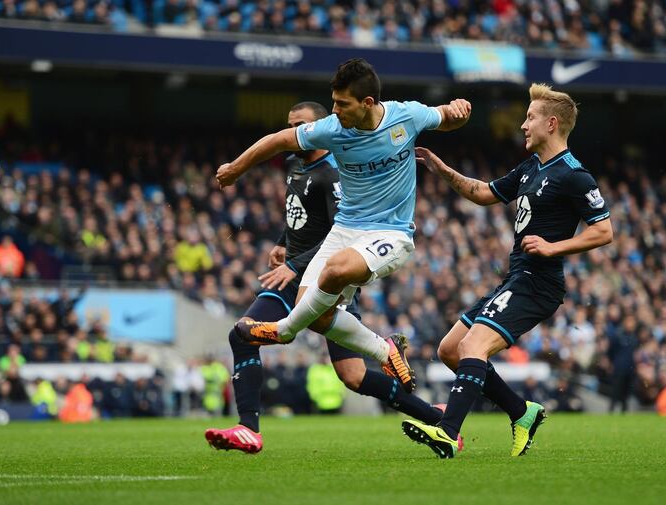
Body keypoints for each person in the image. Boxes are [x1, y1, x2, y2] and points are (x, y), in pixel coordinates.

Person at [206, 101, 454, 454]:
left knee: (353, 377)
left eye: (301, 125)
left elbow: (341, 234)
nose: (295, 132)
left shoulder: (333, 172)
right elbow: (300, 215)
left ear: (322, 126)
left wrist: (295, 264)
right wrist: (282, 244)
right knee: (242, 335)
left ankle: (434, 418)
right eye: (290, 124)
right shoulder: (295, 163)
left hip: (326, 275)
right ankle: (248, 428)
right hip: (289, 278)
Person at [216, 58, 471, 396]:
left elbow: (445, 118)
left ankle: (282, 331)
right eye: (333, 101)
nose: (334, 110)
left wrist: (459, 109)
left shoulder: (405, 116)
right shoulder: (333, 129)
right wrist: (235, 168)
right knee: (318, 317)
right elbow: (278, 140)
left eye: (342, 103)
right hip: (345, 230)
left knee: (333, 272)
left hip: (390, 233)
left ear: (368, 103)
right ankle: (385, 350)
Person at [402, 83, 613, 459]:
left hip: (539, 283)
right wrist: (441, 168)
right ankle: (521, 411)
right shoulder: (533, 167)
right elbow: (484, 193)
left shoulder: (574, 175)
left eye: (529, 117)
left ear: (551, 123)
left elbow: (604, 230)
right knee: (451, 349)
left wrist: (553, 246)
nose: (522, 125)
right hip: (517, 278)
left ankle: (448, 431)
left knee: (472, 346)